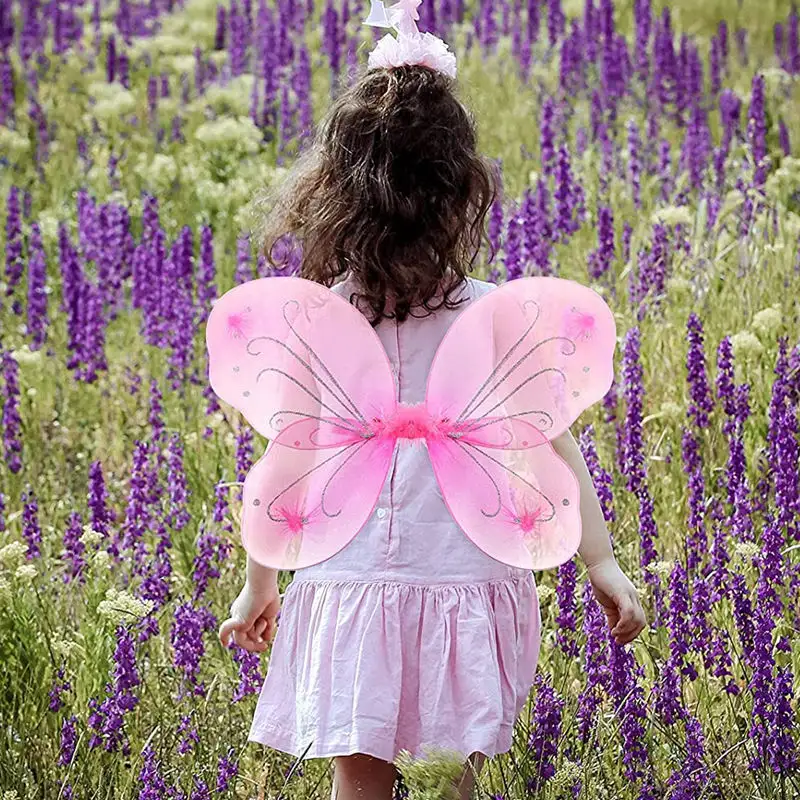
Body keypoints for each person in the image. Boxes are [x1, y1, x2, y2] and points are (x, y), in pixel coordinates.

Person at [217, 2, 646, 797]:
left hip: (349, 582)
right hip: (465, 586)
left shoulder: (324, 317)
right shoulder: (492, 316)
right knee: (458, 772)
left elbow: (286, 466)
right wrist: (603, 560)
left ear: (337, 195)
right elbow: (555, 445)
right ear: (460, 196)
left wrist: (260, 585)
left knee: (361, 773)